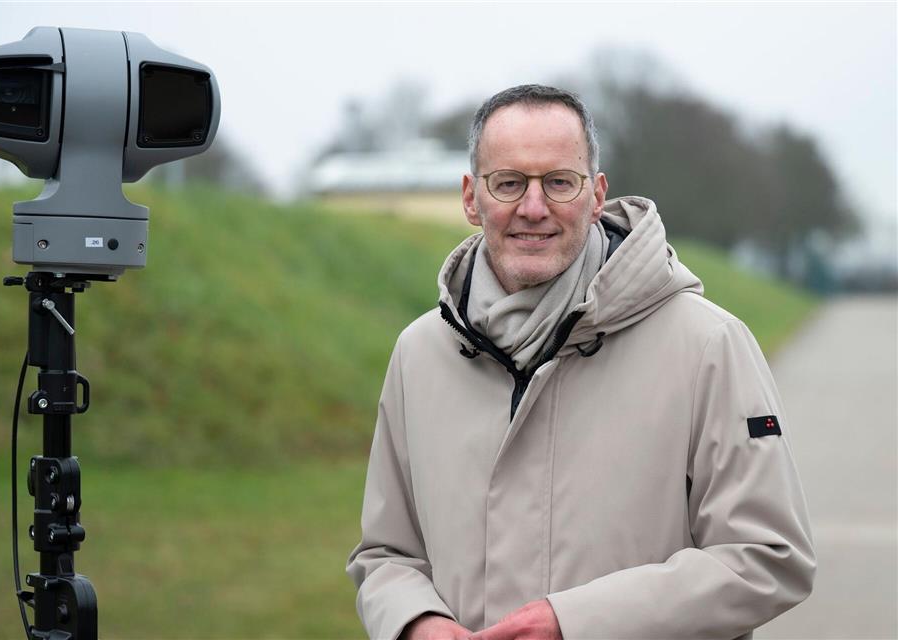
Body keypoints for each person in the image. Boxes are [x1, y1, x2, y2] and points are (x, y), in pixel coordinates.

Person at [346, 84, 816, 640]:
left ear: (596, 195)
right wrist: (415, 620)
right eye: (510, 182)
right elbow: (385, 553)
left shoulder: (709, 345)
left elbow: (768, 555)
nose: (534, 207)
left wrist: (575, 625)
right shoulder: (419, 353)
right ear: (472, 197)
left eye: (559, 183)